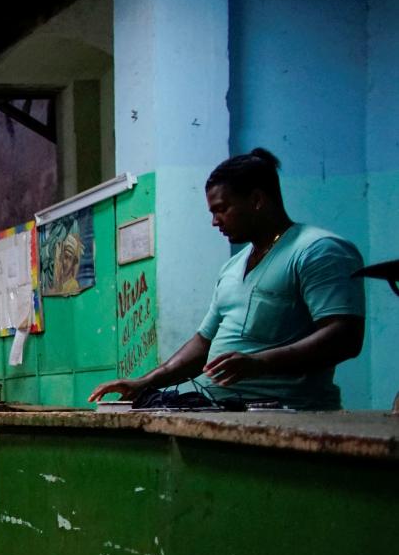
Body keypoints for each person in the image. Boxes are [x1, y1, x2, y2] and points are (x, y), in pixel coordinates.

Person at [89, 149, 365, 410]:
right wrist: (144, 383)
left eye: (221, 209)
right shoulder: (233, 266)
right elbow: (203, 343)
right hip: (221, 407)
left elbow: (345, 337)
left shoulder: (317, 250)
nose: (215, 221)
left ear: (257, 200)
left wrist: (260, 362)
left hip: (286, 410)